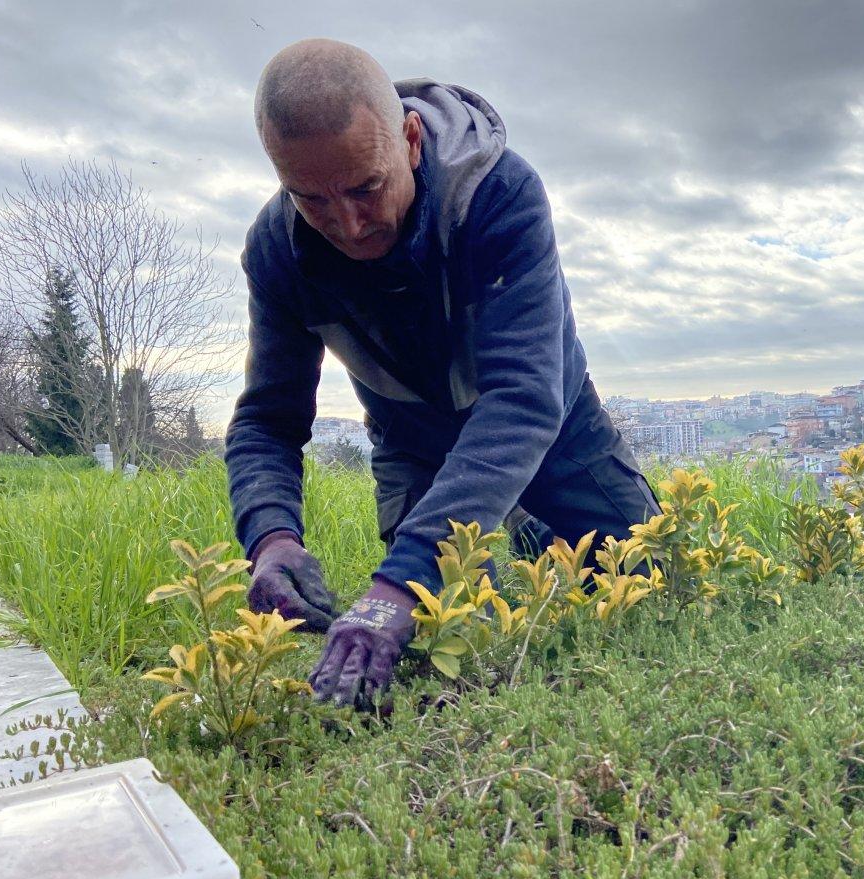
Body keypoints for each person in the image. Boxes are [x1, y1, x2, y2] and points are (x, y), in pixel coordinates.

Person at [225, 38, 660, 711]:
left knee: (652, 585)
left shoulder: (499, 195)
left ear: (411, 139)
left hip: (552, 425)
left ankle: (522, 522)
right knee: (444, 648)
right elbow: (267, 421)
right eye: (312, 200)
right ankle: (508, 524)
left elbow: (524, 399)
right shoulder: (276, 254)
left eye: (368, 187)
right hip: (414, 439)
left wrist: (397, 583)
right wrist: (271, 538)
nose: (347, 224)